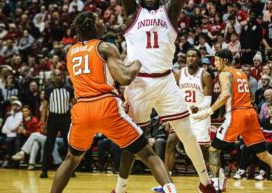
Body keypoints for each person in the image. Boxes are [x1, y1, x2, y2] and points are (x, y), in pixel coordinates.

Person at [117, 0, 215, 193]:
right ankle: (120, 188)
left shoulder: (169, 14)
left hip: (166, 81)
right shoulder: (132, 15)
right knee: (133, 139)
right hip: (139, 84)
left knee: (187, 134)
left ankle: (206, 182)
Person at [50, 12, 177, 193]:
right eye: (99, 20)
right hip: (105, 105)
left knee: (71, 159)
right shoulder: (105, 47)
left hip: (82, 108)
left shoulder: (70, 52)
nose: (103, 22)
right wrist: (137, 64)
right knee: (148, 154)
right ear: (92, 25)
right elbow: (124, 79)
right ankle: (171, 190)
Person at [194, 49, 272, 193]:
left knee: (213, 150)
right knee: (264, 154)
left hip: (237, 114)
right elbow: (251, 96)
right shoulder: (241, 74)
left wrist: (209, 111)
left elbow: (226, 94)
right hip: (251, 114)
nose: (214, 64)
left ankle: (215, 186)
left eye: (216, 60)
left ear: (224, 60)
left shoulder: (224, 74)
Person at [152, 48, 220, 191]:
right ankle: (166, 182)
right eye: (188, 56)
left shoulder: (205, 75)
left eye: (194, 56)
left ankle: (211, 179)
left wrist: (199, 107)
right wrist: (167, 118)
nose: (190, 58)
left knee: (202, 149)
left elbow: (208, 101)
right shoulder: (178, 74)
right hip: (182, 114)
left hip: (200, 116)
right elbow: (170, 96)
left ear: (199, 58)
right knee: (170, 142)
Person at [40, 69, 75, 178]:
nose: (58, 77)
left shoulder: (69, 89)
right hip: (53, 118)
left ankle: (70, 170)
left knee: (69, 145)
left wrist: (74, 118)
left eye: (59, 75)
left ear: (62, 76)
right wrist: (43, 122)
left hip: (65, 118)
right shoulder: (48, 90)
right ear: (53, 77)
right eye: (56, 75)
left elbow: (75, 104)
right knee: (48, 144)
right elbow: (45, 107)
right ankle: (44, 171)